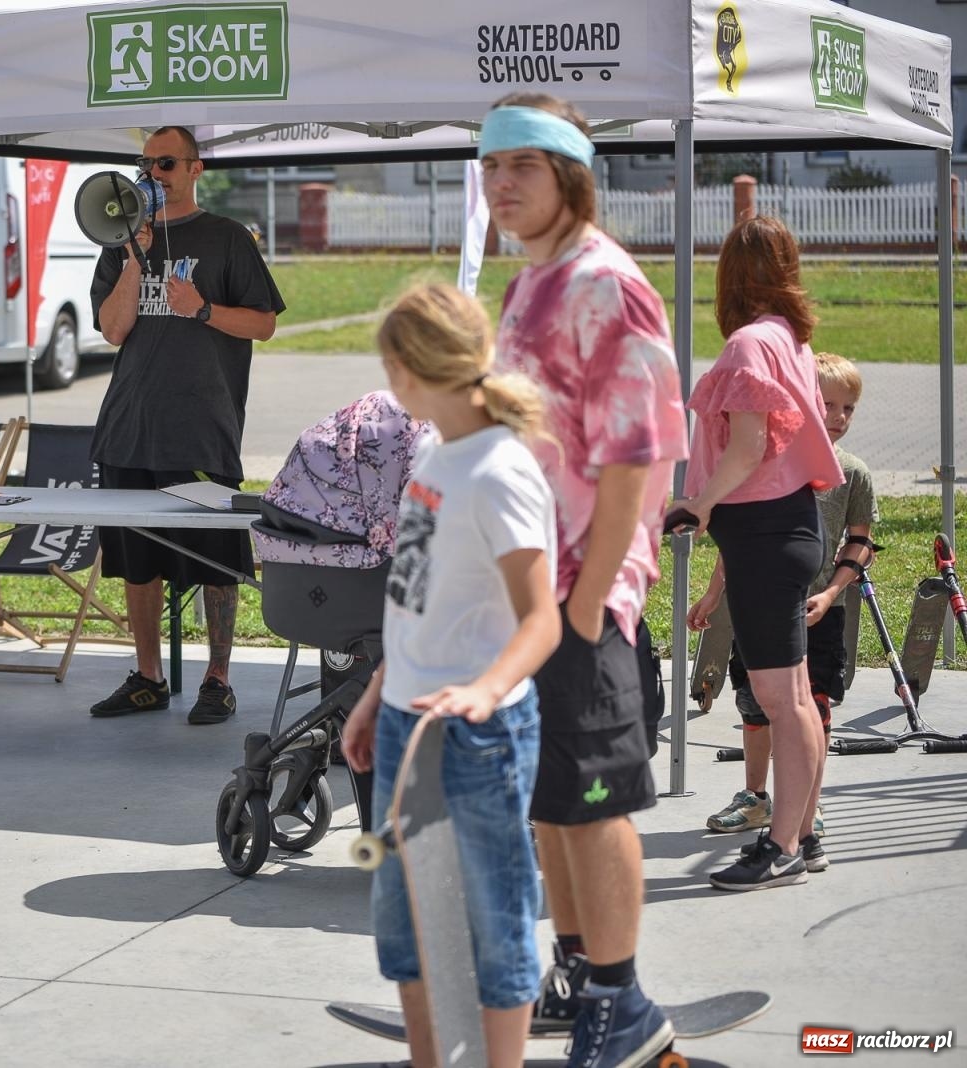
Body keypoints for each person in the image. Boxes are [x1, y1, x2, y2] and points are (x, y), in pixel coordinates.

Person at [480, 93, 689, 1067]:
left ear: (571, 174)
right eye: (490, 166)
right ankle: (578, 971)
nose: (501, 184)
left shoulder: (606, 285)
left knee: (595, 804)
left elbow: (632, 460)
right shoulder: (529, 283)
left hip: (580, 595)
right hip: (527, 589)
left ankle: (624, 1003)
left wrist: (581, 601)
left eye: (522, 165)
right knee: (549, 801)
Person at [342, 283, 559, 1068]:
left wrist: (484, 690)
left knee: (492, 927)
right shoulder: (435, 453)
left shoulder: (500, 472)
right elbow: (411, 594)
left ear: (408, 368)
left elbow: (542, 619)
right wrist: (376, 692)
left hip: (479, 735)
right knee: (407, 927)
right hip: (405, 722)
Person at [86, 125, 285, 725]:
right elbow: (113, 330)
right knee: (137, 561)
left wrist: (199, 308)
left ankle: (217, 680)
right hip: (129, 427)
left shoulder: (226, 238)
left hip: (201, 427)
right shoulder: (119, 239)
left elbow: (263, 325)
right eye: (145, 163)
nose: (154, 173)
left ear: (196, 169)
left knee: (216, 560)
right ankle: (148, 675)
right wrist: (130, 259)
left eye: (166, 162)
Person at [671, 216, 844, 893]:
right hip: (789, 527)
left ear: (729, 276)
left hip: (766, 533)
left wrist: (698, 504)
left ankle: (781, 847)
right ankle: (803, 837)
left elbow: (746, 449)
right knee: (796, 697)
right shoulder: (789, 340)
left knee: (781, 698)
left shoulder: (749, 345)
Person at [696, 351, 875, 855]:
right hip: (760, 607)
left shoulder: (853, 473)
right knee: (755, 706)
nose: (838, 417)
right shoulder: (768, 464)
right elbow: (743, 542)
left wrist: (831, 592)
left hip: (819, 612)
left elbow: (860, 543)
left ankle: (805, 806)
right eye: (828, 404)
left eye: (849, 408)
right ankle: (756, 796)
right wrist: (714, 594)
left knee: (811, 709)